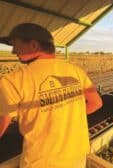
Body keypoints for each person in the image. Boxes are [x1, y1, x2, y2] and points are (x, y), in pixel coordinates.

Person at [0, 23, 102, 168]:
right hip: (77, 156)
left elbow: (2, 122)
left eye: (15, 45)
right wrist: (64, 116)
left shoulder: (13, 80)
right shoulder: (75, 71)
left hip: (42, 162)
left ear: (33, 45)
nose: (13, 51)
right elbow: (96, 103)